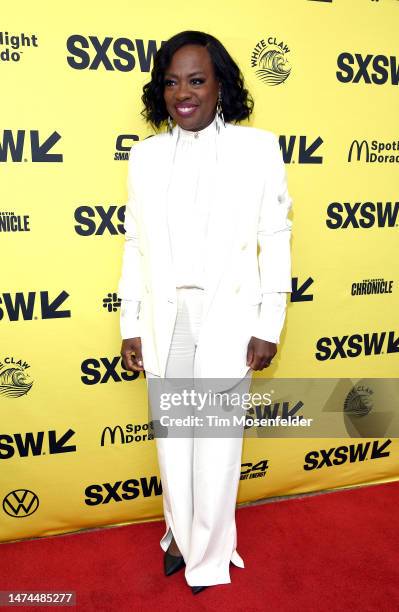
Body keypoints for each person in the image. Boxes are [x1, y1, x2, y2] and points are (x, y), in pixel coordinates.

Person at [117, 30, 292, 595]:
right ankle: (180, 534)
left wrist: (269, 324)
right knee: (173, 443)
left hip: (229, 319)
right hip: (166, 320)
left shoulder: (257, 149)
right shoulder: (144, 157)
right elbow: (134, 245)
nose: (183, 93)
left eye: (197, 80)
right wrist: (129, 323)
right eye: (172, 82)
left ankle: (211, 557)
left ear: (221, 84)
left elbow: (276, 237)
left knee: (215, 448)